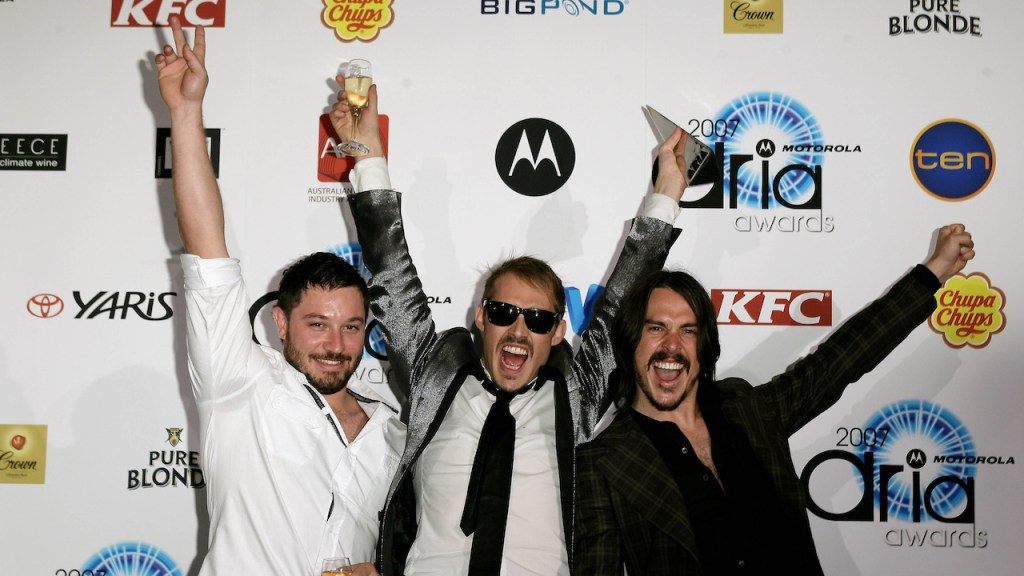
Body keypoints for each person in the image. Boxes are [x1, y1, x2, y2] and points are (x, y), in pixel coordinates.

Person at [330, 76, 694, 575]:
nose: (519, 330)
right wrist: (368, 154)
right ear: (481, 317)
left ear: (558, 332)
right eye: (503, 313)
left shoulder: (577, 394)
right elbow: (390, 271)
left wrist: (668, 190)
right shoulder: (433, 377)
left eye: (539, 320)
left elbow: (624, 299)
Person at [572, 224, 976, 575]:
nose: (673, 346)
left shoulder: (745, 407)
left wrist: (933, 273)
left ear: (704, 346)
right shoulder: (603, 463)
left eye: (689, 331)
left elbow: (838, 362)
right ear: (630, 343)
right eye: (656, 328)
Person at [155, 18, 402, 576]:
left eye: (351, 326)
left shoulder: (393, 425)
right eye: (317, 324)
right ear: (281, 325)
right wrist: (186, 113)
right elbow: (207, 249)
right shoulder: (241, 385)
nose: (336, 345)